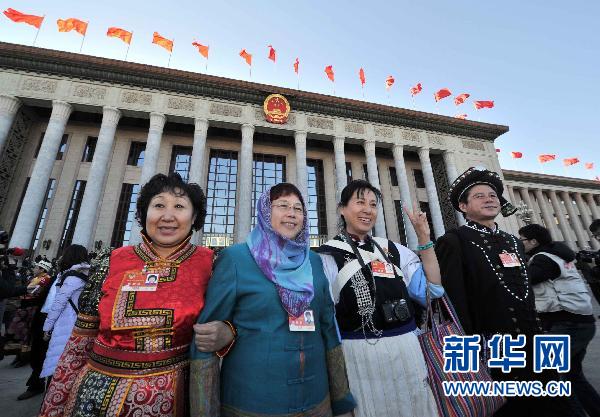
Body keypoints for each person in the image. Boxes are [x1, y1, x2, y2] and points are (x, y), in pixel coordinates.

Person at [39, 172, 227, 417]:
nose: (167, 216)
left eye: (179, 207)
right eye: (158, 205)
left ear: (194, 218)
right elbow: (78, 346)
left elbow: (236, 321)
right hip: (93, 397)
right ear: (144, 213)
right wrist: (54, 407)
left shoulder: (210, 265)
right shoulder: (110, 262)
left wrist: (226, 332)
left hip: (171, 398)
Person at [190, 183, 356, 417]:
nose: (292, 213)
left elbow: (328, 329)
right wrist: (203, 411)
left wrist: (342, 403)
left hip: (316, 403)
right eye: (282, 206)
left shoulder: (314, 262)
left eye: (298, 208)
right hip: (252, 403)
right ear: (265, 212)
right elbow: (206, 339)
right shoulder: (236, 259)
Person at [434, 166, 572, 417]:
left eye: (493, 195)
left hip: (534, 342)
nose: (489, 199)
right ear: (463, 207)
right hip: (492, 349)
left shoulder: (513, 242)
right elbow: (454, 303)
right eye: (479, 196)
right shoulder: (455, 241)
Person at [316, 179, 444, 417]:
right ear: (342, 209)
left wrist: (424, 238)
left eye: (373, 204)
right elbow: (325, 320)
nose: (368, 209)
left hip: (408, 352)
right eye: (360, 202)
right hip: (358, 358)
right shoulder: (326, 256)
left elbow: (432, 291)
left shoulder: (395, 250)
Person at [519, 223, 600, 417]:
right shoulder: (557, 254)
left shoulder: (542, 259)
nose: (520, 243)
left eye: (521, 240)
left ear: (533, 241)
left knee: (550, 375)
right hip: (579, 322)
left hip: (566, 323)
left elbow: (527, 280)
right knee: (572, 376)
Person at [40, 244, 90, 380]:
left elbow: (58, 304)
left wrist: (47, 327)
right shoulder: (87, 274)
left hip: (66, 323)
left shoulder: (72, 277)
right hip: (80, 323)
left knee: (58, 363)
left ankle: (53, 395)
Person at [10, 259, 54, 400]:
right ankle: (36, 382)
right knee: (36, 349)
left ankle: (42, 386)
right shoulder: (51, 279)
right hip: (40, 318)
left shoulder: (50, 279)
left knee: (42, 352)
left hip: (46, 320)